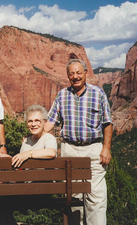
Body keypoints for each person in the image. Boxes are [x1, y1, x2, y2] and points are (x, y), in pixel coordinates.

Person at [44, 59, 113, 225]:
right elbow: (50, 122)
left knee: (95, 197)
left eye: (78, 73)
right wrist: (33, 135)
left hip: (94, 150)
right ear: (68, 76)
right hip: (70, 150)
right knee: (74, 197)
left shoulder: (98, 93)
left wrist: (106, 148)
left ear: (85, 73)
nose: (75, 77)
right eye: (72, 74)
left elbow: (107, 123)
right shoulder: (62, 95)